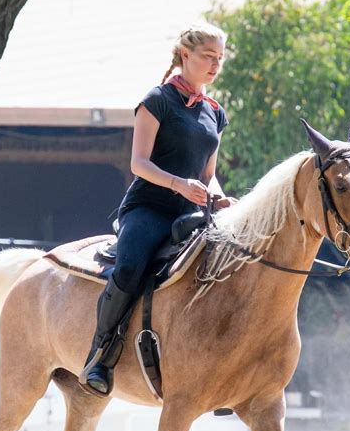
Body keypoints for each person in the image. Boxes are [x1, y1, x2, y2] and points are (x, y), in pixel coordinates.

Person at [79, 23, 235, 395]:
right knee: (131, 267)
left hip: (193, 215)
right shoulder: (157, 100)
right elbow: (139, 164)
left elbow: (209, 174)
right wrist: (179, 184)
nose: (215, 64)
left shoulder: (216, 112)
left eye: (220, 58)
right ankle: (100, 356)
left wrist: (220, 196)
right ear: (186, 55)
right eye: (208, 56)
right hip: (149, 207)